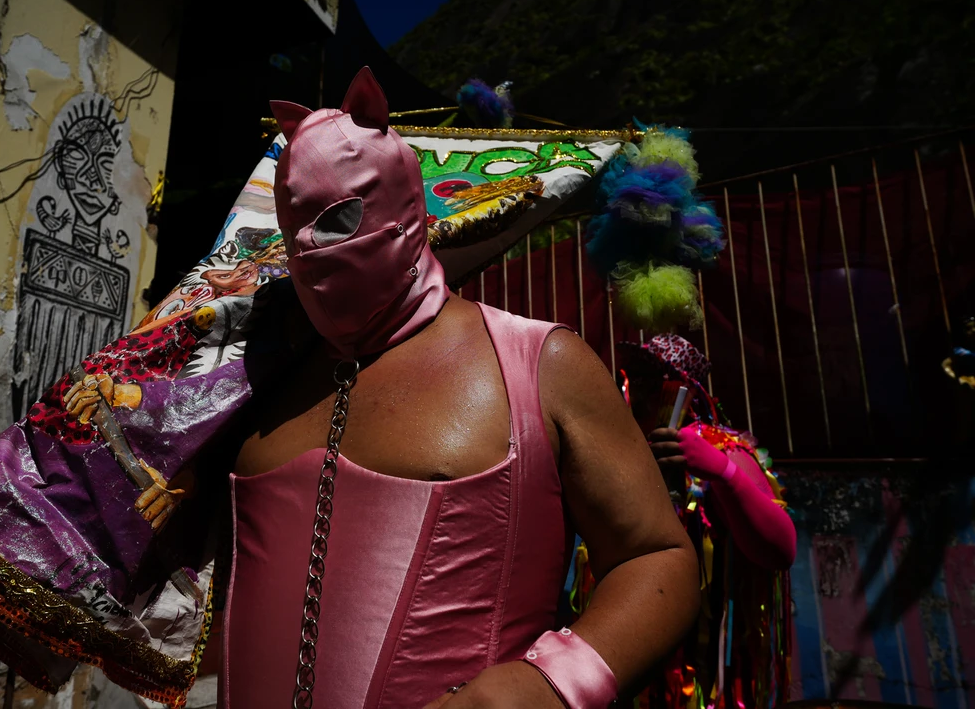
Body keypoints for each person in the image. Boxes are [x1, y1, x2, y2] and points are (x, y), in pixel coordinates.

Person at [217, 68, 701, 708]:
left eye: (338, 220)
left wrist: (552, 683)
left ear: (405, 209)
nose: (312, 246)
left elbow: (658, 555)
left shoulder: (537, 364)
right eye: (295, 227)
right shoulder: (247, 375)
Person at [579, 334, 796, 709]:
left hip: (705, 674)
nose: (630, 388)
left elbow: (781, 549)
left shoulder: (723, 450)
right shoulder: (632, 454)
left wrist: (724, 472)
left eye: (648, 378)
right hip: (640, 667)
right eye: (630, 376)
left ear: (681, 390)